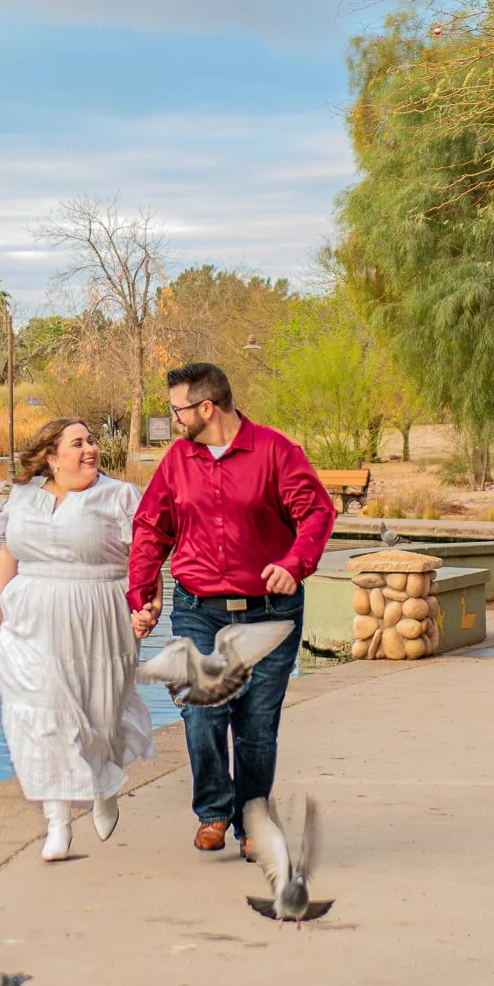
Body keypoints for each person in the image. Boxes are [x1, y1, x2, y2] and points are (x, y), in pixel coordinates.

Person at [128, 361, 335, 856]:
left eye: (178, 409)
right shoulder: (178, 461)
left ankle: (252, 822)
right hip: (199, 608)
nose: (174, 419)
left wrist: (294, 563)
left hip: (271, 612)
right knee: (202, 712)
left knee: (256, 727)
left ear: (206, 408)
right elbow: (151, 527)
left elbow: (316, 513)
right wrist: (142, 593)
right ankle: (214, 811)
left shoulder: (276, 452)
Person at [0, 418, 155, 862]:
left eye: (91, 441)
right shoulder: (24, 496)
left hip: (102, 612)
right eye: (78, 443)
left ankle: (105, 784)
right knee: (43, 714)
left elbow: (145, 559)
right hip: (32, 619)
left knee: (101, 712)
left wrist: (146, 606)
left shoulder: (120, 496)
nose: (90, 449)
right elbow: (9, 552)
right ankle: (57, 822)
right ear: (52, 457)